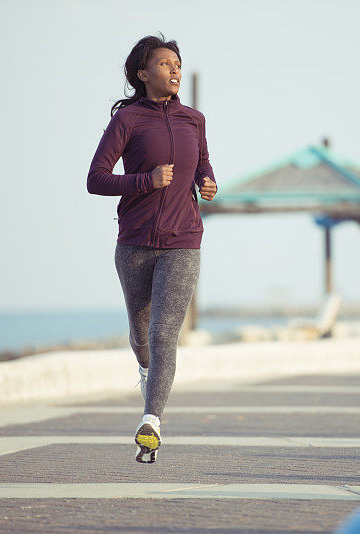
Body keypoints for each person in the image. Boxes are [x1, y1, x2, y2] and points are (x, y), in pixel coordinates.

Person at [86, 33, 217, 463]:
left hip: (183, 241)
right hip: (135, 244)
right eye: (164, 64)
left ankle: (151, 420)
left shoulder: (194, 119)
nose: (174, 70)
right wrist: (146, 180)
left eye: (177, 63)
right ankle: (145, 371)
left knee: (164, 333)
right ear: (143, 74)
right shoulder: (127, 121)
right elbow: (97, 179)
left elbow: (202, 164)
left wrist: (206, 182)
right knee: (141, 334)